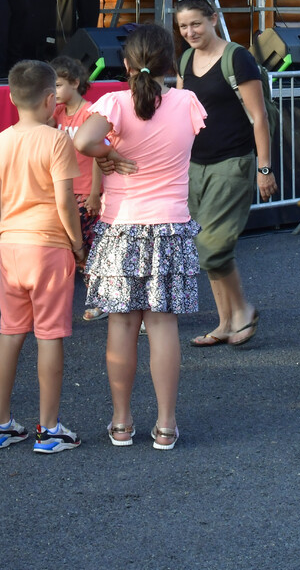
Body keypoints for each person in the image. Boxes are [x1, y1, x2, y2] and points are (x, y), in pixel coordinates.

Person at [79, 23, 203, 448]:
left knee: (122, 323)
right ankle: (166, 425)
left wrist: (110, 153)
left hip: (122, 226)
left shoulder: (113, 102)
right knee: (163, 324)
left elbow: (82, 140)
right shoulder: (188, 101)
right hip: (170, 225)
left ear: (126, 64)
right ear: (171, 63)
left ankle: (121, 421)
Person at [0, 60, 85, 454]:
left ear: (11, 98)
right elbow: (65, 200)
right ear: (50, 100)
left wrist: (3, 237)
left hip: (11, 245)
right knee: (49, 335)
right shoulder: (57, 141)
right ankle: (49, 428)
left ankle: (0, 423)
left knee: (10, 334)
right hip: (49, 247)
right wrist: (77, 243)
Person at [172, 0, 274, 349]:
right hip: (195, 165)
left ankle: (243, 310)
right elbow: (183, 113)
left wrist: (264, 168)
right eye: (183, 25)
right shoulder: (185, 58)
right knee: (210, 246)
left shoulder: (237, 58)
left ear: (214, 18)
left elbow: (258, 117)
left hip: (232, 163)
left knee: (210, 245)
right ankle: (225, 322)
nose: (189, 31)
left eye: (196, 23)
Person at [51, 56, 108, 321]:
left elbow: (99, 156)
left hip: (85, 192)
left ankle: (100, 300)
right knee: (70, 249)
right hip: (65, 191)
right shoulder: (59, 113)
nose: (54, 90)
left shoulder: (90, 113)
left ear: (75, 83)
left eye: (59, 85)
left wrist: (95, 193)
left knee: (86, 249)